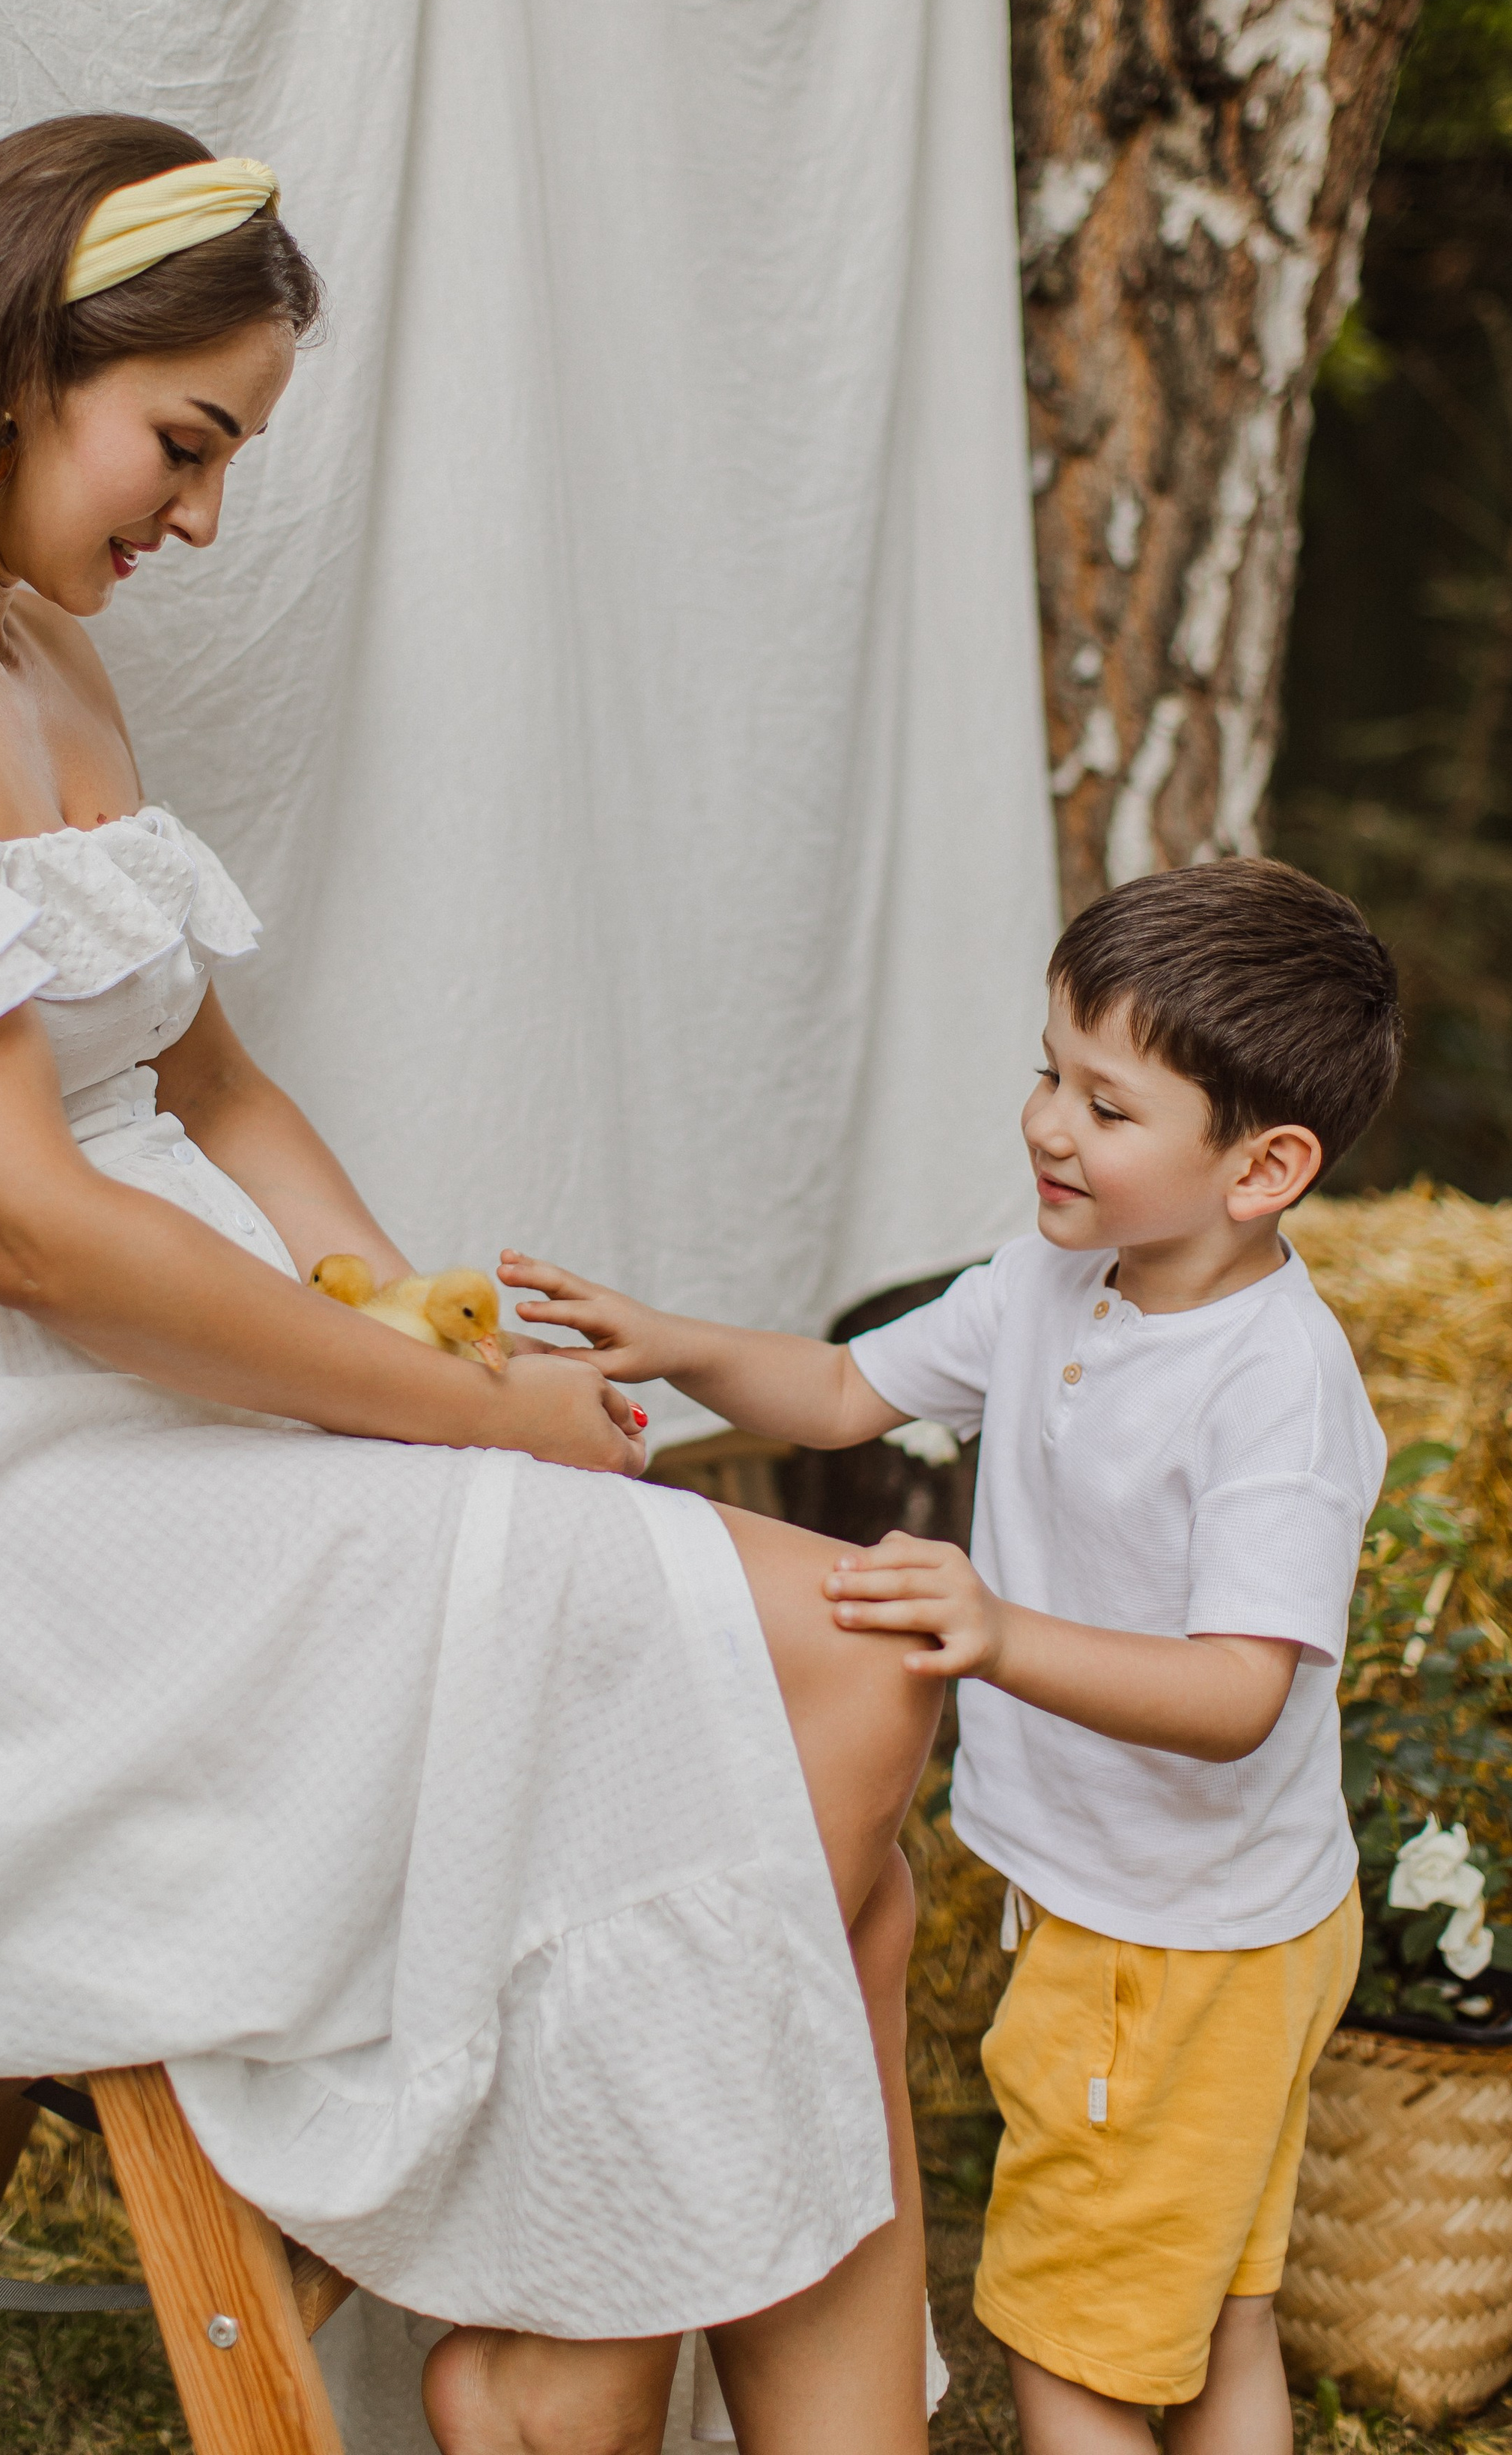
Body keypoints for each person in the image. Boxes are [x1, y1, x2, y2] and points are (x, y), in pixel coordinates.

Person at [0, 117, 946, 2455]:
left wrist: (381, 1293)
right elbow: (30, 1229)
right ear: (21, 364)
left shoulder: (32, 658)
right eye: (185, 443)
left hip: (165, 1396)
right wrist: (458, 1416)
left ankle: (604, 2371)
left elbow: (210, 1090)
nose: (199, 516)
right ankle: (556, 2367)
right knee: (834, 1677)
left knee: (843, 1724)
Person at [503, 856, 1402, 2455]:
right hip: (1196, 1918)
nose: (1048, 1124)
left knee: (1070, 2355)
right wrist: (680, 1342)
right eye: (1046, 1071)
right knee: (1212, 2317)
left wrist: (994, 1634)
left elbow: (1235, 1694)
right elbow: (847, 1391)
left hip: (1170, 1948)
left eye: (1106, 1107)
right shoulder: (1060, 1275)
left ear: (1261, 1168)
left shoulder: (1271, 1392)